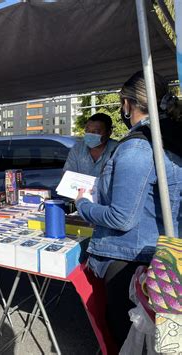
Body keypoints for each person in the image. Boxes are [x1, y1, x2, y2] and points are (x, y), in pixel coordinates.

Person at [75, 71, 182, 349]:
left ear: (126, 104)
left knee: (129, 340)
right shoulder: (171, 141)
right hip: (159, 254)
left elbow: (120, 217)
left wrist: (83, 204)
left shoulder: (136, 148)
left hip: (130, 262)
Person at [63, 113, 118, 177]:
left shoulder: (117, 149)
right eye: (87, 131)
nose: (90, 134)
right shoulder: (78, 148)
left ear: (109, 132)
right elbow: (68, 175)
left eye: (96, 132)